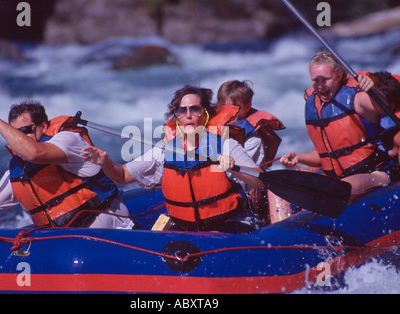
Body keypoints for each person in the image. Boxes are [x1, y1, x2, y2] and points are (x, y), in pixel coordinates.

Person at [82, 85, 265, 233]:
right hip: (187, 228)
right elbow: (121, 176)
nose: (188, 115)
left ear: (205, 114)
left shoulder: (226, 145)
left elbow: (261, 182)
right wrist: (106, 162)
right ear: (177, 117)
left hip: (229, 224)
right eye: (182, 110)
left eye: (195, 109)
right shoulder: (164, 150)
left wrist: (232, 167)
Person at [0, 101, 134, 232]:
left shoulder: (68, 140)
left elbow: (36, 153)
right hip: (70, 240)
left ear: (43, 126)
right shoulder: (19, 172)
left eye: (24, 132)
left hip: (109, 227)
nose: (19, 138)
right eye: (14, 134)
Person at [280, 52, 398, 199]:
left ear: (340, 75)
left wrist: (372, 89)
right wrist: (299, 157)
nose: (321, 86)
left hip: (375, 173)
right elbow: (327, 155)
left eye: (326, 79)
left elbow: (385, 105)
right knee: (277, 192)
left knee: (337, 189)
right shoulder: (314, 106)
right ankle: (283, 222)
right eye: (315, 80)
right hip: (337, 179)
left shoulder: (358, 99)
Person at [207, 80, 285, 225]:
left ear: (247, 107)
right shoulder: (212, 130)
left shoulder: (253, 140)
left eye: (234, 108)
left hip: (245, 198)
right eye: (224, 108)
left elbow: (248, 182)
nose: (228, 114)